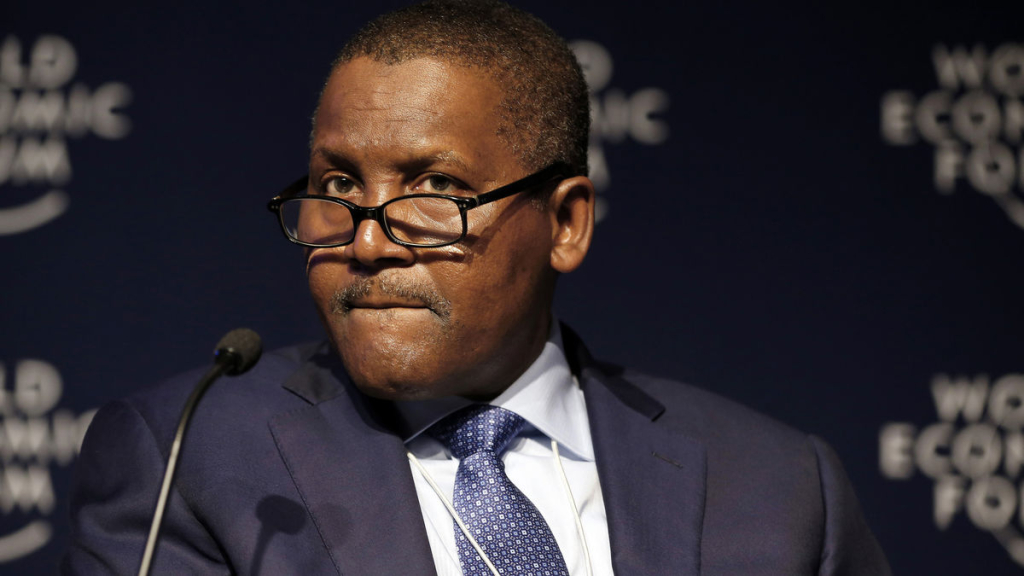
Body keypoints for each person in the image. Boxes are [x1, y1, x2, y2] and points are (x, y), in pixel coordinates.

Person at [63, 1, 891, 574]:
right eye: (339, 185)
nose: (369, 241)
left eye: (435, 189)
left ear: (565, 223)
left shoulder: (779, 488)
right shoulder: (189, 459)